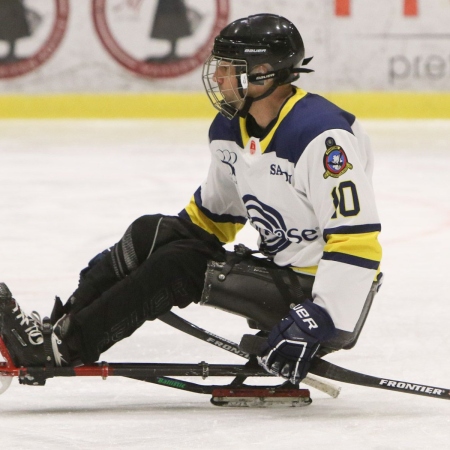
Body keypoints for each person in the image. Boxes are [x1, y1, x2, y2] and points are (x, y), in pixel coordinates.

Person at [0, 14, 382, 385]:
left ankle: (67, 349)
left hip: (319, 301)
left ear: (262, 73)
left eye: (228, 68)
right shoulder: (231, 129)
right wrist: (154, 239)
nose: (217, 77)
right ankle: (58, 330)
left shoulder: (321, 137)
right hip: (285, 277)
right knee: (150, 232)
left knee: (179, 266)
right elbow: (212, 220)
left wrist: (321, 317)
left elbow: (356, 240)